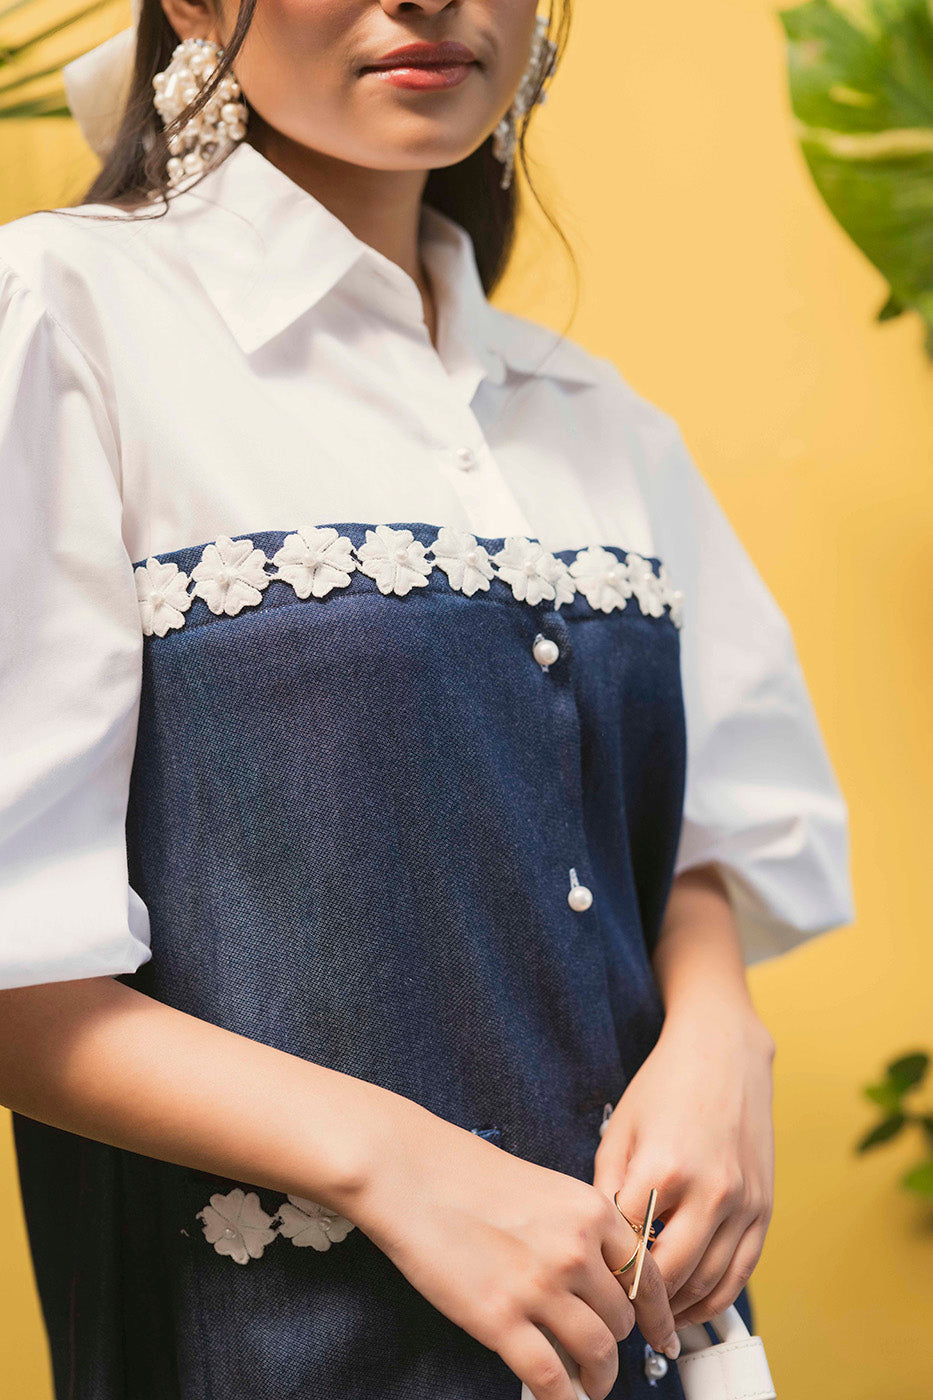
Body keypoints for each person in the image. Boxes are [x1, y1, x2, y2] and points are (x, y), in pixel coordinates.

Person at [0, 1, 855, 1398]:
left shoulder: (594, 417)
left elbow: (699, 841)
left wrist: (719, 1043)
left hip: (644, 1349)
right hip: (278, 1354)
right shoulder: (60, 318)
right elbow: (18, 972)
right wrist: (405, 1169)